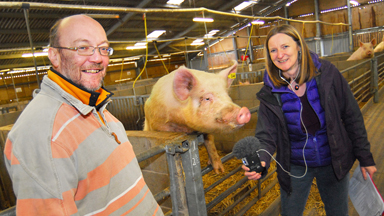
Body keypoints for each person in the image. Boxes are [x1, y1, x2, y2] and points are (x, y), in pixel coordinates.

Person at [4, 14, 163, 215]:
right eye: (82, 47)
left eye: (103, 48)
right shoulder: (43, 134)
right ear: (54, 55)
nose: (97, 58)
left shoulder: (96, 106)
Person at [242, 24, 377, 216]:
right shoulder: (270, 91)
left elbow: (351, 115)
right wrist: (261, 161)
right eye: (273, 50)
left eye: (285, 47)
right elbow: (266, 135)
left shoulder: (327, 73)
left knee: (338, 212)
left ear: (298, 46)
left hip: (333, 159)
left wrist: (365, 158)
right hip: (295, 164)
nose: (279, 55)